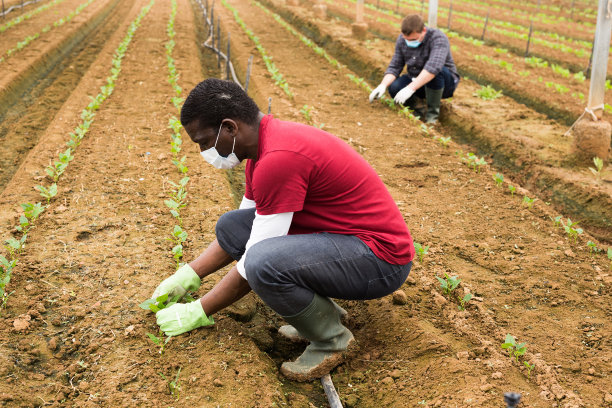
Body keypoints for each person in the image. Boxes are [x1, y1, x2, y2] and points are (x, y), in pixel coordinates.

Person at [151, 79, 415, 382]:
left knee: (264, 263)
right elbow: (243, 227)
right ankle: (320, 316)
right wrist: (189, 274)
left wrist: (198, 310)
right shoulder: (260, 149)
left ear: (229, 128)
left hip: (381, 259)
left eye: (204, 141)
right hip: (347, 243)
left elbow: (253, 264)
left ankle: (331, 340)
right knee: (232, 225)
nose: (204, 151)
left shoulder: (279, 158)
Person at [369, 14, 460, 124]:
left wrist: (410, 88)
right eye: (407, 39)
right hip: (417, 80)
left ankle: (432, 117)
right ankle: (419, 109)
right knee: (394, 87)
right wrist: (382, 85)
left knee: (437, 71)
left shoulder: (438, 38)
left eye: (414, 39)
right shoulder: (402, 40)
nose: (410, 42)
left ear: (424, 31)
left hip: (444, 84)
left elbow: (433, 67)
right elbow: (395, 66)